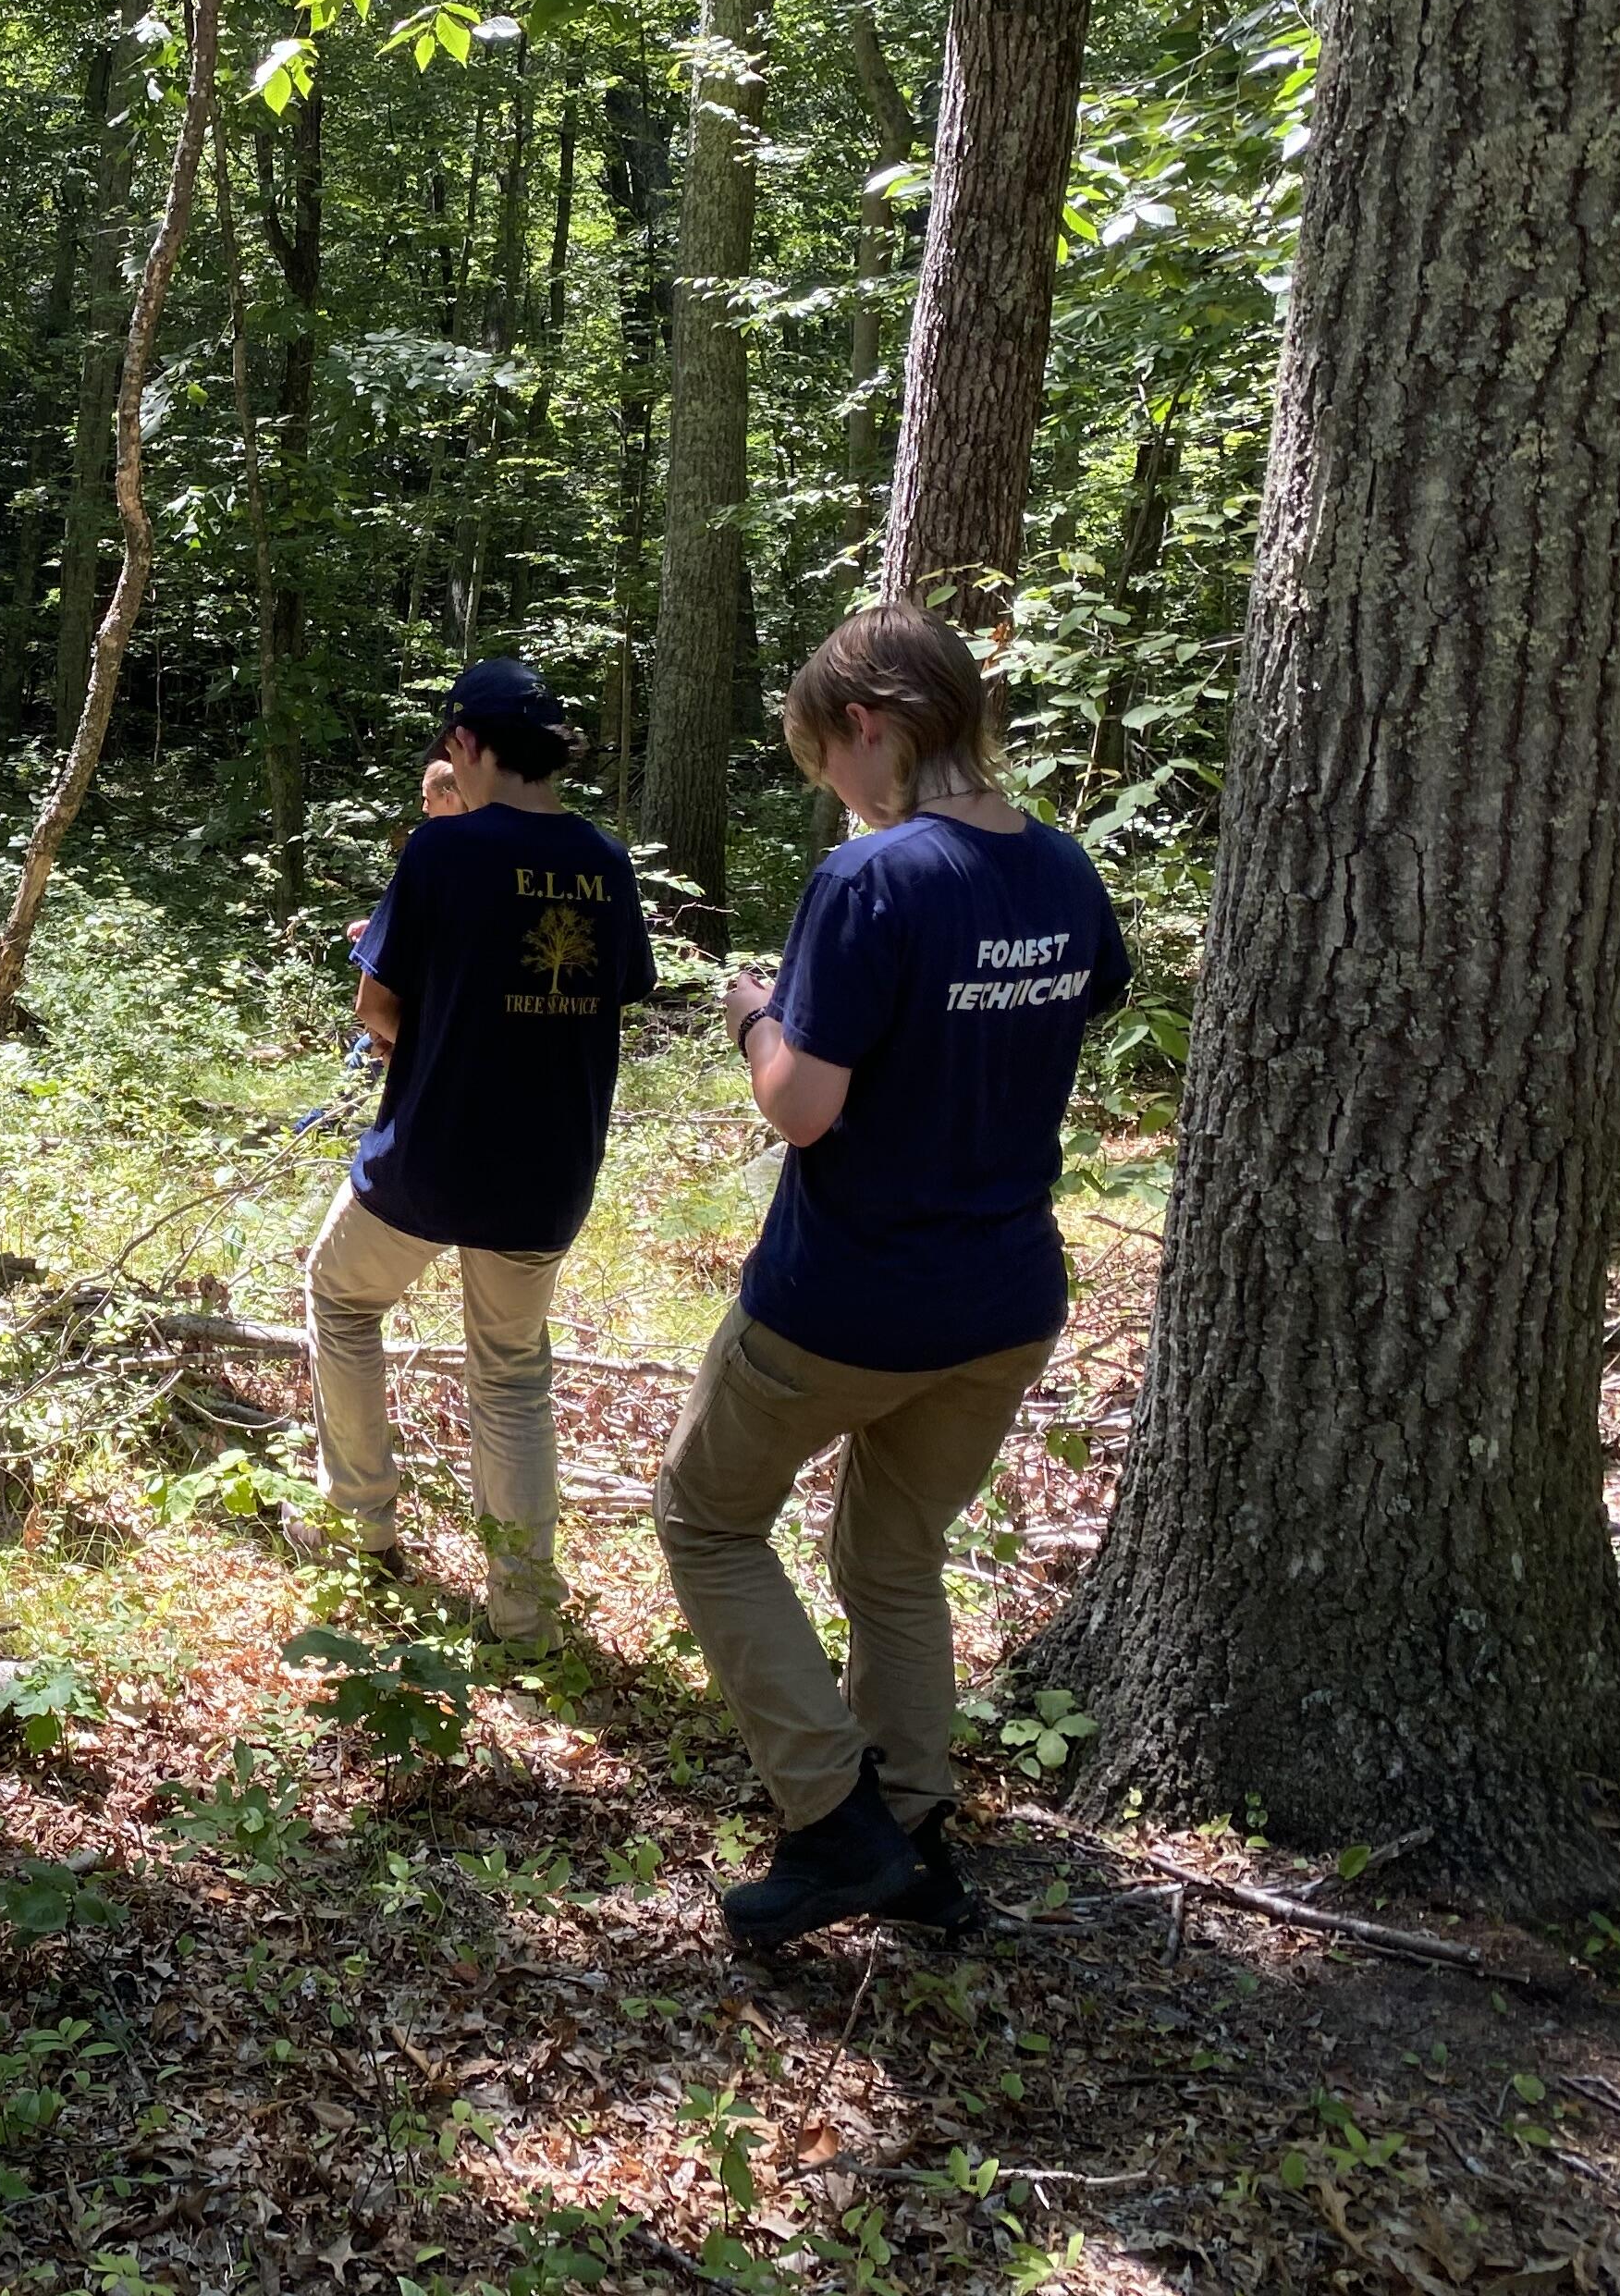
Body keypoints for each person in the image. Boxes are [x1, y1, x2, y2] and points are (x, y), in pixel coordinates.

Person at [657, 600, 1130, 1951]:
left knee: (706, 1520)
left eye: (829, 764)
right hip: (1005, 1297)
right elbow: (1079, 997)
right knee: (894, 1551)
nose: (839, 796)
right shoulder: (1060, 868)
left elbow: (802, 1107)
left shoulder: (874, 880)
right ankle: (917, 1831)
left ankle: (835, 1819)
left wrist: (756, 1014)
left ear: (867, 726)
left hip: (851, 1294)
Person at [289, 657, 657, 1641]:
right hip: (548, 1166)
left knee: (340, 1295)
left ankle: (361, 1527)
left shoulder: (442, 855)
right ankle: (526, 1604)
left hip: (431, 1153)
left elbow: (378, 1006)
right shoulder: (606, 862)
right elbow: (608, 996)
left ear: (468, 745)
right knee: (510, 1371)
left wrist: (448, 1033)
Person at [345, 757, 467, 945]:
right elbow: (418, 912)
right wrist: (377, 928)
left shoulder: (436, 844)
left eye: (428, 799)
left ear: (449, 798)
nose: (424, 808)